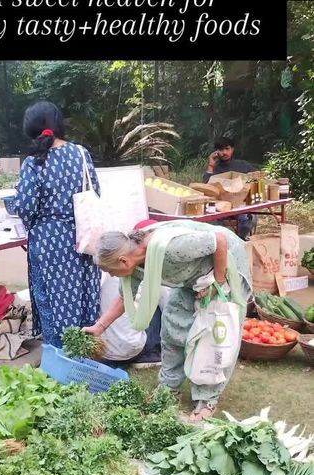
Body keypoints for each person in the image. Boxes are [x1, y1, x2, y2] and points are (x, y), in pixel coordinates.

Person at [85, 220, 252, 423]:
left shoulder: (172, 250)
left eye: (110, 270)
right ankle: (169, 387)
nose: (111, 275)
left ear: (123, 261)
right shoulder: (135, 262)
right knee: (172, 323)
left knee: (212, 338)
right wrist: (99, 327)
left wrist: (218, 283)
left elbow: (219, 241)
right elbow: (124, 298)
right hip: (192, 278)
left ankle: (207, 399)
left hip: (225, 265)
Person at [15, 101, 101, 347]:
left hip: (48, 241)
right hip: (83, 237)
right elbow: (95, 191)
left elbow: (25, 207)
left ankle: (57, 355)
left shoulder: (33, 162)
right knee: (84, 296)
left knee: (52, 301)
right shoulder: (81, 154)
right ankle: (83, 352)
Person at [99, 271, 170, 367]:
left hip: (103, 352)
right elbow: (169, 308)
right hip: (133, 350)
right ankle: (151, 353)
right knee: (162, 296)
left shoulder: (105, 273)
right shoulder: (149, 270)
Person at [203, 136, 258, 241]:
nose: (224, 152)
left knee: (250, 218)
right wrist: (211, 165)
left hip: (241, 206)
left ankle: (240, 239)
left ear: (232, 149)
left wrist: (244, 186)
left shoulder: (243, 165)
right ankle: (227, 240)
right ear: (216, 152)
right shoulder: (215, 168)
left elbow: (256, 178)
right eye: (221, 150)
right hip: (221, 207)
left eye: (227, 149)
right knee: (210, 218)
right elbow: (206, 187)